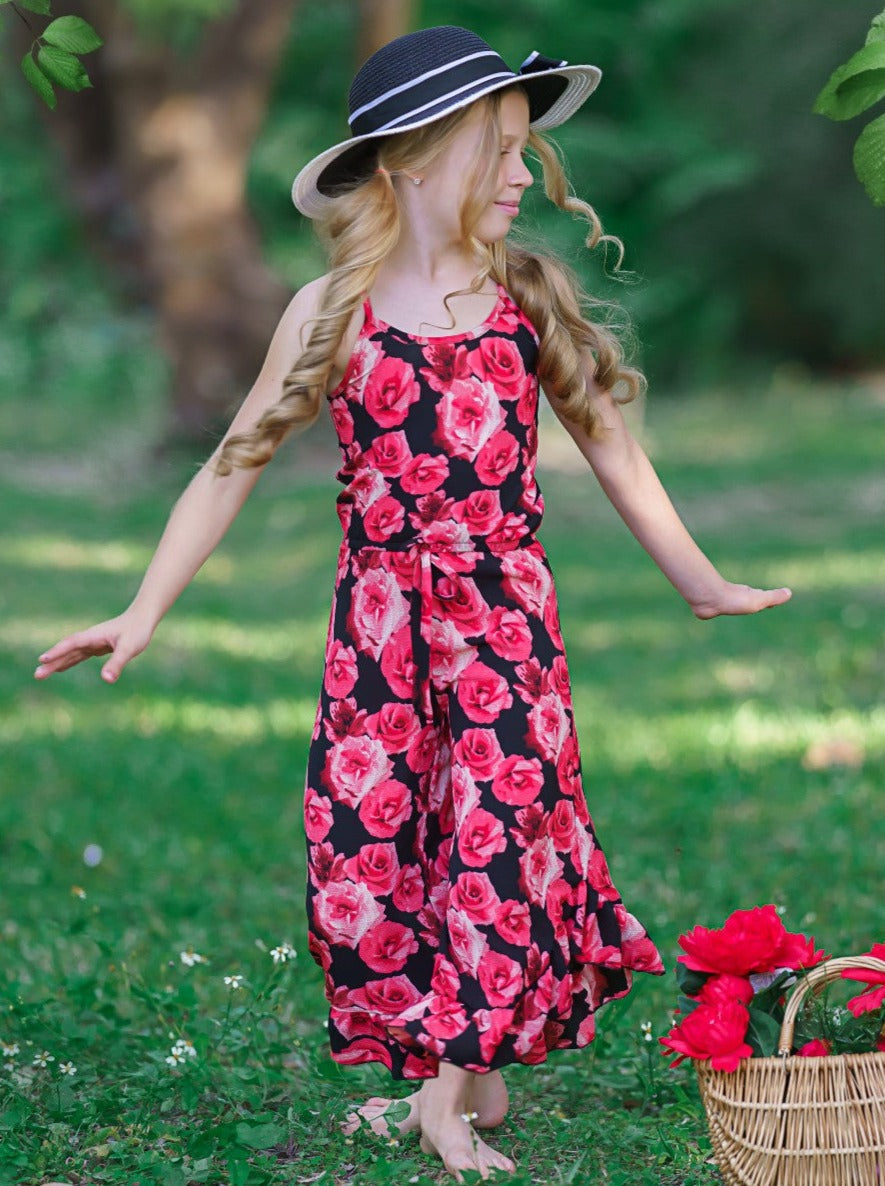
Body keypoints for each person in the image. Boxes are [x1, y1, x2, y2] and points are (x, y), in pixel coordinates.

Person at [34, 25, 792, 1184]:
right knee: (381, 848)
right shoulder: (330, 311)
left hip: (503, 629)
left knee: (495, 839)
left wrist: (702, 580)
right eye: (501, 151)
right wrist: (142, 609)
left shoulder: (522, 295)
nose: (522, 176)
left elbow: (612, 446)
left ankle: (446, 1099)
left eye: (526, 153)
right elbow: (230, 464)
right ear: (414, 162)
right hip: (381, 635)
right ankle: (467, 1070)